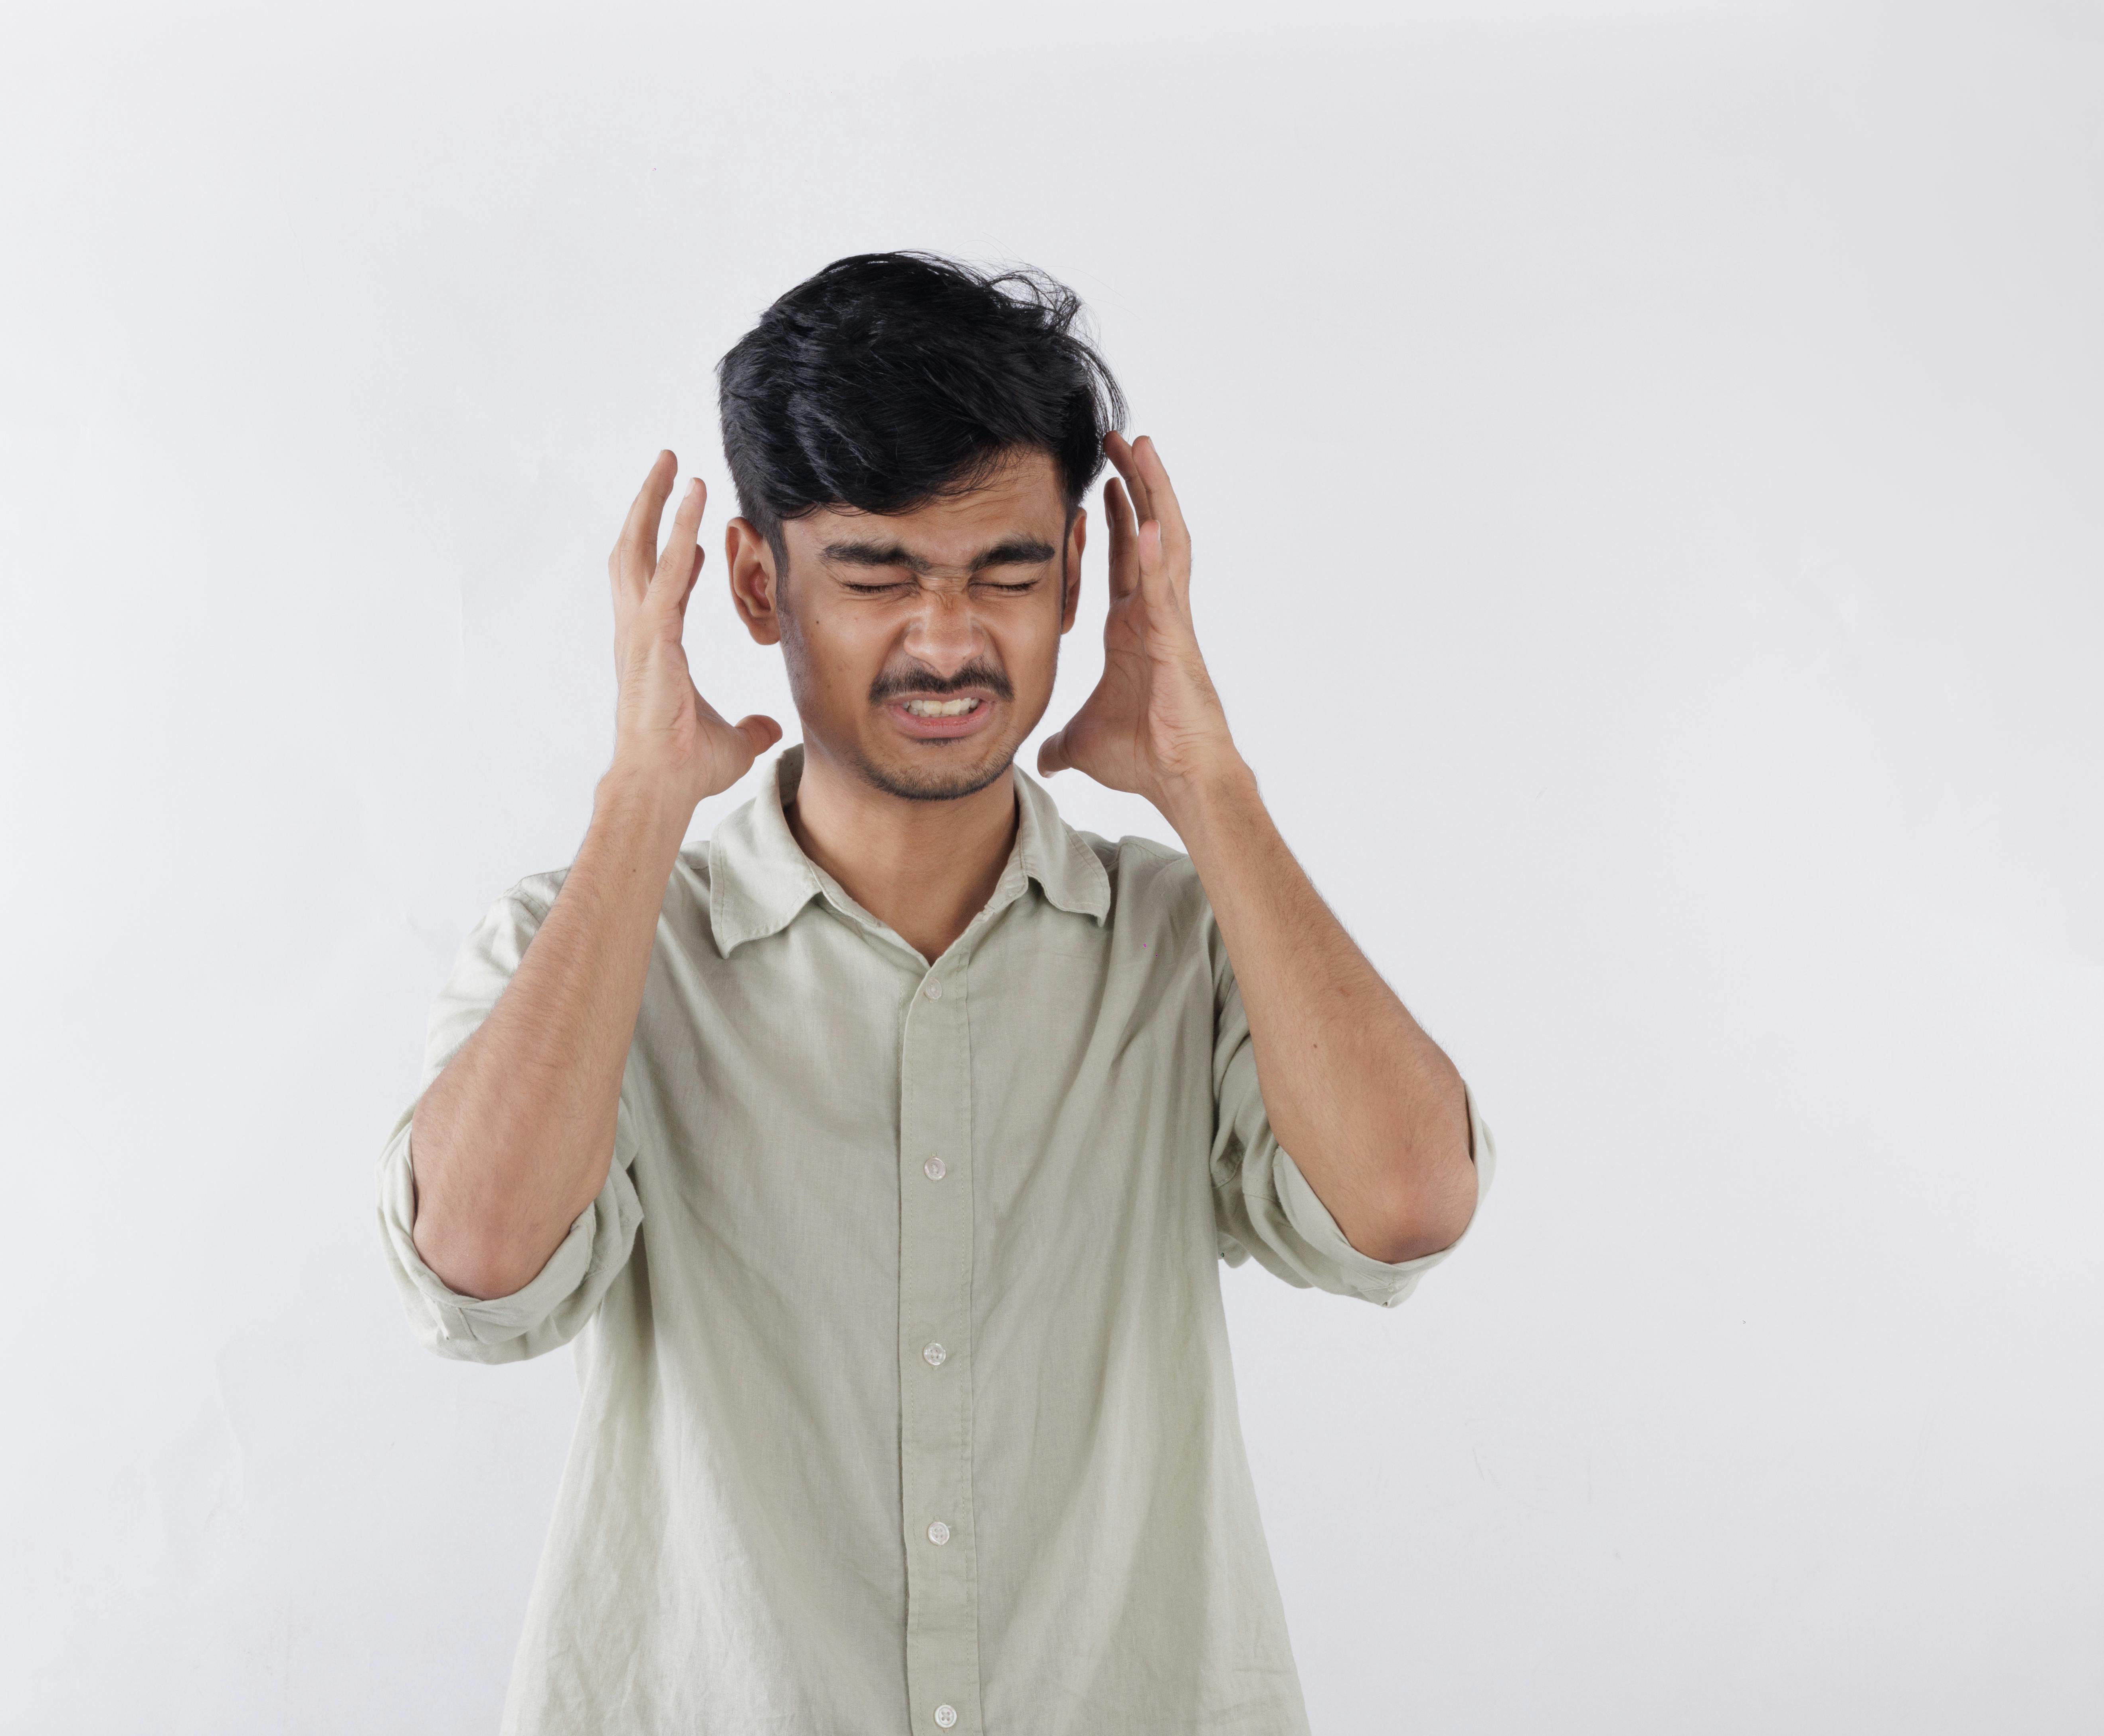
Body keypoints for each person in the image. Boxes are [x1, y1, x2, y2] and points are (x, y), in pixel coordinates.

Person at [373, 251, 1495, 1735]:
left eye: (1008, 573)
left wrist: (1204, 780)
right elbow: (481, 1269)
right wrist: (640, 802)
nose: (951, 641)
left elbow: (1406, 1207)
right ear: (762, 585)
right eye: (878, 573)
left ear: (1081, 580)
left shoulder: (1190, 944)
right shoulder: (588, 949)